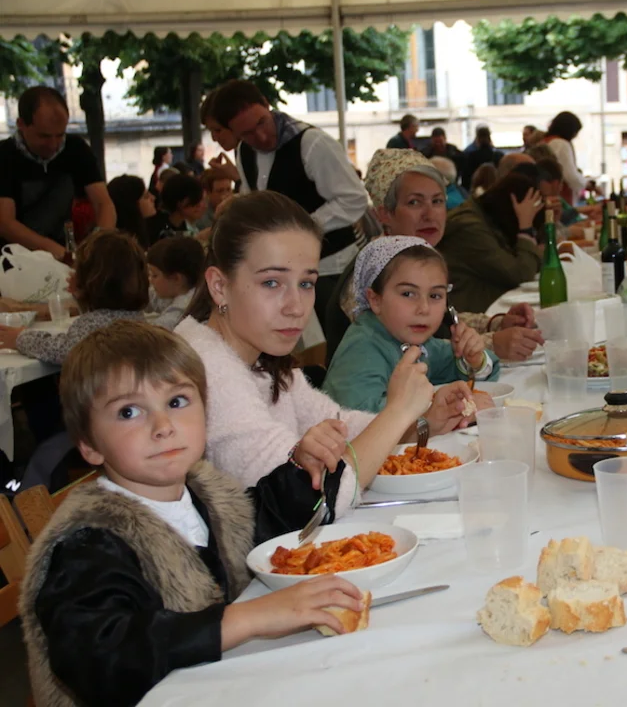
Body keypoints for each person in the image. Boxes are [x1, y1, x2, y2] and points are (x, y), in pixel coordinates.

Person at [20, 321, 364, 707]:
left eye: (177, 402)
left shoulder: (205, 493)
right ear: (89, 446)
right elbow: (104, 655)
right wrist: (249, 618)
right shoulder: (87, 543)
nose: (163, 426)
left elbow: (261, 521)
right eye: (129, 411)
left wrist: (303, 467)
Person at [174, 191, 470, 512]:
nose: (296, 307)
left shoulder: (260, 354)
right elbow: (307, 500)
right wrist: (398, 412)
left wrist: (422, 421)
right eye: (271, 283)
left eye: (306, 284)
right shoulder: (205, 367)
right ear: (219, 286)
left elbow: (338, 424)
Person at [351, 148, 542, 363]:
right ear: (384, 214)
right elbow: (405, 352)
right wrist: (491, 344)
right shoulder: (371, 272)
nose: (430, 214)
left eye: (437, 201)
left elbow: (442, 319)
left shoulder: (415, 256)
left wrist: (496, 323)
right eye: (414, 202)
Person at [210, 81, 369, 324]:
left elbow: (354, 199)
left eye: (261, 123)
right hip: (283, 272)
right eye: (247, 133)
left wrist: (302, 226)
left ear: (266, 104)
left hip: (331, 269)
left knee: (335, 339)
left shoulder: (312, 143)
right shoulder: (244, 152)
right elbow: (256, 198)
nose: (260, 136)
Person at [325, 237, 500, 412]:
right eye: (408, 294)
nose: (424, 308)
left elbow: (458, 370)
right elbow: (360, 417)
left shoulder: (420, 343)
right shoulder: (361, 350)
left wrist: (474, 359)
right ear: (375, 300)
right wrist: (437, 411)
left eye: (435, 296)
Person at [0, 86, 116, 262]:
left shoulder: (75, 149)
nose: (54, 144)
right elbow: (5, 223)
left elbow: (103, 203)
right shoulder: (4, 155)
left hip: (63, 251)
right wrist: (57, 251)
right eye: (44, 136)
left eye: (60, 135)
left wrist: (99, 242)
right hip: (12, 261)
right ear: (21, 124)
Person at [0, 231, 148, 363]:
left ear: (88, 282)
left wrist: (20, 338)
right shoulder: (138, 320)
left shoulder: (92, 326)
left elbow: (60, 349)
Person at [440, 172, 544, 314]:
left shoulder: (484, 217)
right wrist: (525, 229)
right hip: (471, 314)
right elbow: (520, 274)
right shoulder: (470, 228)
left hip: (488, 306)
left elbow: (530, 262)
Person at [146, 236, 203, 330]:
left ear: (177, 279)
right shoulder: (177, 290)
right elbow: (150, 298)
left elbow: (154, 333)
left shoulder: (180, 313)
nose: (150, 280)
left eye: (154, 275)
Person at [146, 173, 206, 244]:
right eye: (195, 201)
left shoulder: (181, 223)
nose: (201, 205)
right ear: (180, 202)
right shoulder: (157, 227)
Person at [543, 111, 586, 203]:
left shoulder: (546, 141)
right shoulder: (561, 144)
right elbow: (569, 174)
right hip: (561, 195)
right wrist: (586, 183)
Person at [108, 174, 157, 249]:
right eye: (146, 196)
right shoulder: (122, 245)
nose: (153, 198)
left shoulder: (140, 231)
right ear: (132, 205)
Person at [193, 167, 236, 236]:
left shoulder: (236, 209)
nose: (226, 195)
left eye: (228, 189)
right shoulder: (199, 216)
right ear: (207, 193)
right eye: (220, 191)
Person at [461, 126, 504, 191]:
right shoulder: (498, 155)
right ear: (490, 139)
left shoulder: (471, 156)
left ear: (477, 139)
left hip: (477, 191)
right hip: (496, 190)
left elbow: (465, 179)